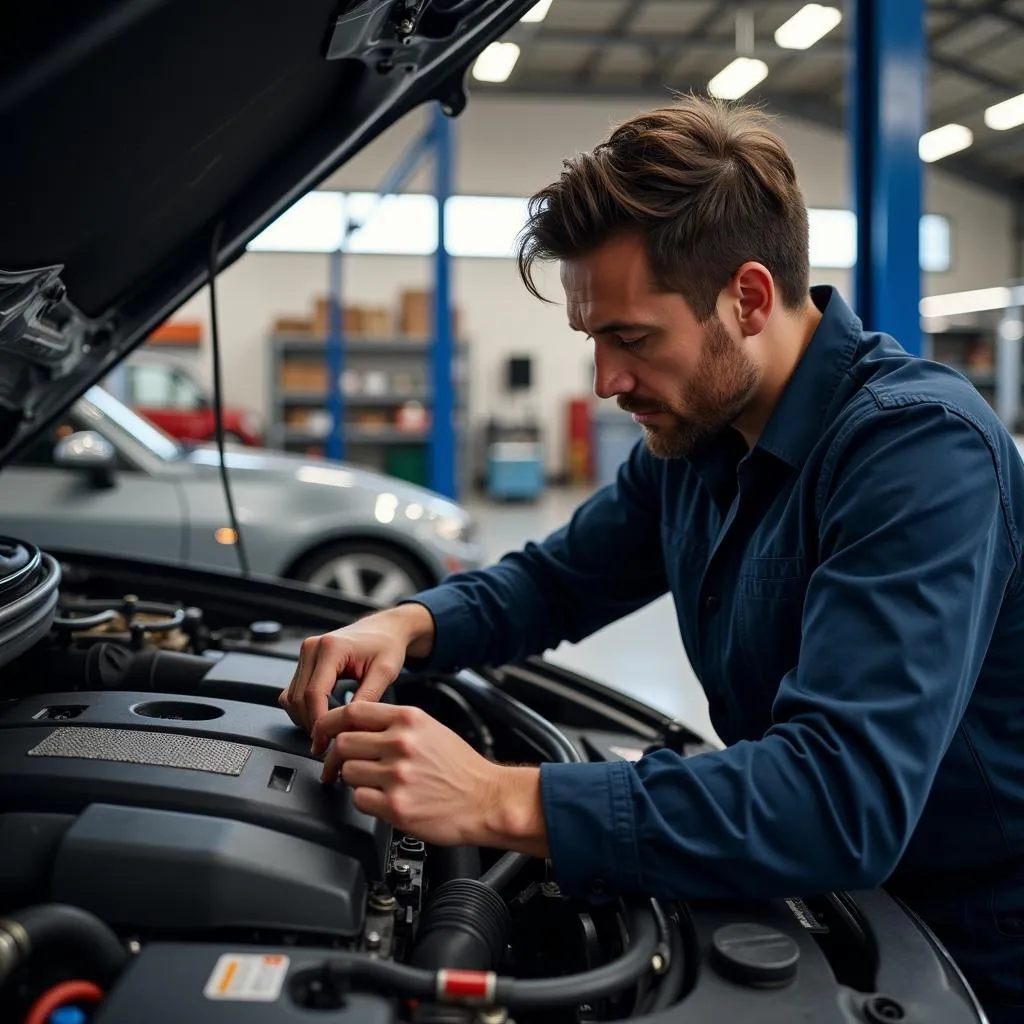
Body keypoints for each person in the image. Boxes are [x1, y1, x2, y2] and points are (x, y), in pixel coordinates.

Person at [280, 95, 1024, 1019]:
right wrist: (409, 621)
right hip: (826, 899)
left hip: (973, 949)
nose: (607, 382)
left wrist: (499, 798)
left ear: (748, 299)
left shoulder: (918, 452)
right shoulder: (698, 439)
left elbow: (841, 796)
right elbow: (555, 581)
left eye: (631, 337)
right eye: (594, 339)